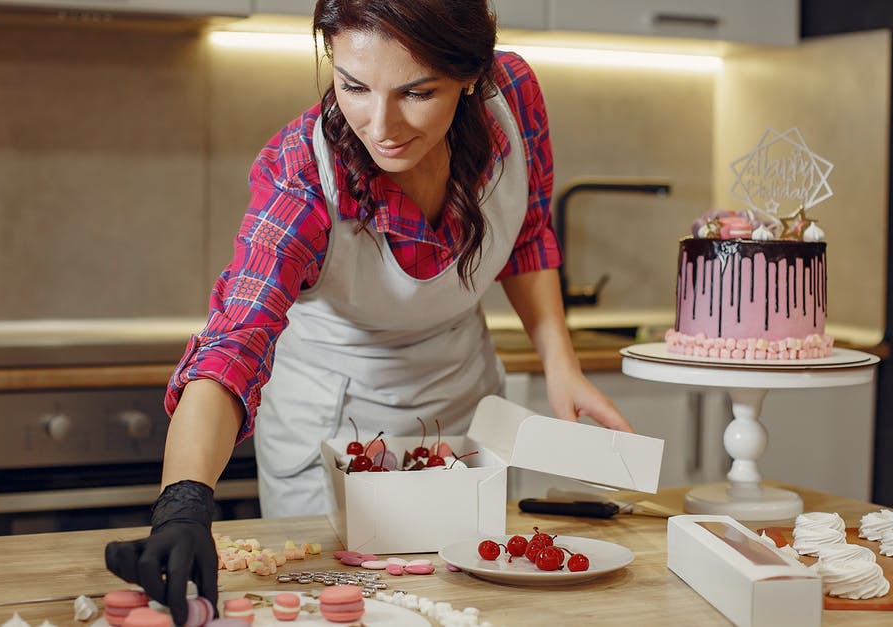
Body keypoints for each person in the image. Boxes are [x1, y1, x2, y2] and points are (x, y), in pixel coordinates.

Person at [105, 0, 633, 622]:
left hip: (459, 408)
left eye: (416, 92)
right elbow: (234, 342)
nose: (380, 125)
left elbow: (527, 234)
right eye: (353, 85)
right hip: (329, 432)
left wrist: (561, 365)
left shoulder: (511, 98)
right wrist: (183, 503)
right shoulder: (300, 174)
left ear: (468, 74)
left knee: (471, 609)